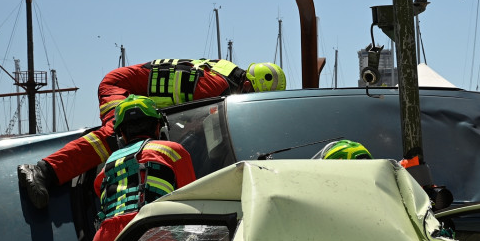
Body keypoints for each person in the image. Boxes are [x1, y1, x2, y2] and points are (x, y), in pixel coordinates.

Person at [18, 59, 285, 209]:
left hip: (133, 90)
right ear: (248, 84)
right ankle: (44, 170)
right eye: (252, 96)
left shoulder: (222, 75)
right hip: (119, 88)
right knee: (116, 134)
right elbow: (191, 118)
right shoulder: (213, 87)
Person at [92, 94, 196, 241]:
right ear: (158, 127)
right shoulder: (172, 151)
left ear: (122, 136)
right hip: (150, 235)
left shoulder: (106, 168)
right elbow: (193, 200)